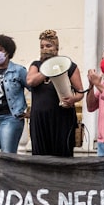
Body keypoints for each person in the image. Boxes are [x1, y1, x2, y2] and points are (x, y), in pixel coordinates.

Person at [26, 29, 85, 157]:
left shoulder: (69, 66)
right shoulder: (36, 65)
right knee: (40, 157)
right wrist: (47, 69)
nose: (45, 49)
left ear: (56, 47)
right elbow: (30, 81)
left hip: (62, 118)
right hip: (40, 120)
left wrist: (73, 100)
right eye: (42, 46)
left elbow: (80, 92)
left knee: (62, 155)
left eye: (48, 46)